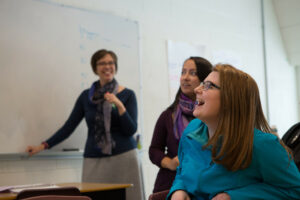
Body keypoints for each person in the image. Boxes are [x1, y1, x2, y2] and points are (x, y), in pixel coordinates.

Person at [168, 64, 300, 200]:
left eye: (208, 85)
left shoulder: (263, 145)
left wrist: (233, 196)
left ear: (231, 99)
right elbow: (182, 171)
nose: (197, 89)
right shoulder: (192, 129)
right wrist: (179, 189)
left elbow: (295, 191)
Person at [26, 49, 144, 200]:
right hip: (93, 159)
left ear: (115, 66)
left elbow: (130, 130)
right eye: (102, 63)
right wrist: (42, 146)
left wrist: (119, 105)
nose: (107, 66)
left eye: (111, 63)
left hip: (124, 158)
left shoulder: (127, 94)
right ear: (95, 68)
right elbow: (69, 126)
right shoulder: (85, 97)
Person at [149, 57, 213, 193]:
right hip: (171, 183)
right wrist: (171, 163)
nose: (185, 78)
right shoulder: (168, 115)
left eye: (193, 73)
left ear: (206, 80)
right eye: (183, 72)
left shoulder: (212, 116)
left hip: (204, 183)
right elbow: (154, 150)